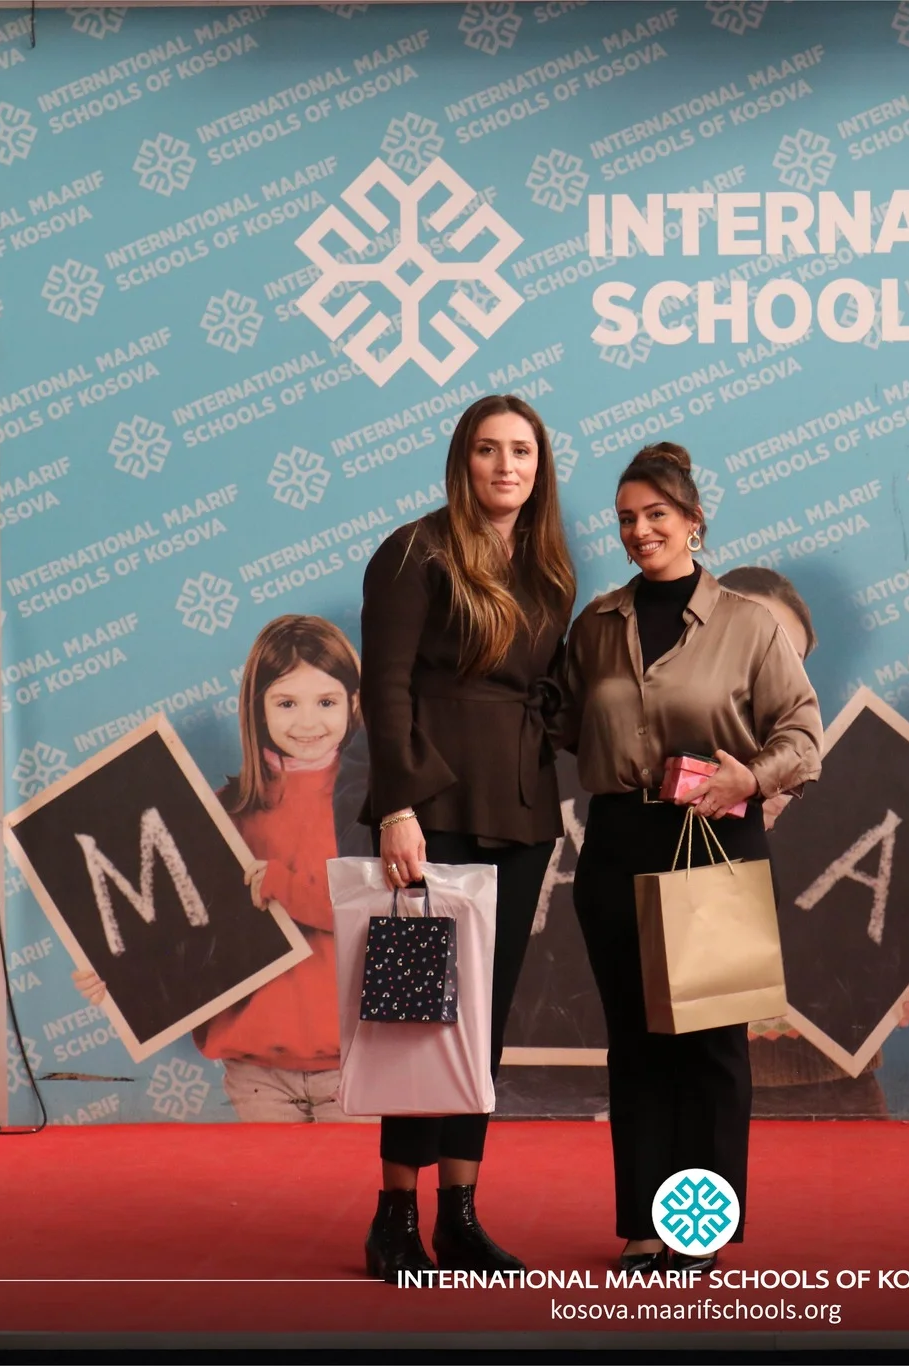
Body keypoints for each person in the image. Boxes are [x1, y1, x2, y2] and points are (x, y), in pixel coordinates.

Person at [554, 444, 822, 1272]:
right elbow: (559, 723)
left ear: (693, 521)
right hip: (617, 842)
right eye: (626, 519)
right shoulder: (596, 625)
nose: (640, 531)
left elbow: (803, 735)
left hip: (713, 838)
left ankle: (695, 1229)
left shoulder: (748, 623)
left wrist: (752, 776)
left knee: (708, 1044)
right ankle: (644, 1225)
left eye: (657, 515)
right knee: (635, 1043)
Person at [357, 393, 576, 1280]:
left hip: (522, 813)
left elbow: (552, 693)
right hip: (434, 811)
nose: (505, 466)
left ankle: (459, 1214)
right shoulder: (414, 551)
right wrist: (396, 807)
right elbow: (385, 688)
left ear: (540, 465)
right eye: (488, 450)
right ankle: (394, 1218)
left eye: (521, 451)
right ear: (463, 461)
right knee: (419, 1016)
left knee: (481, 1020)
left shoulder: (550, 568)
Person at [71, 615, 367, 1125]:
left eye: (326, 702)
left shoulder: (375, 805)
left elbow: (382, 915)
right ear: (258, 708)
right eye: (286, 703)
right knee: (271, 1181)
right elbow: (180, 928)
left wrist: (285, 888)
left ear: (354, 704)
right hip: (255, 1070)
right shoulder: (222, 811)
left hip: (355, 1062)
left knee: (353, 1181)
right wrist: (118, 970)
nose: (307, 722)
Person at [715, 565, 909, 1119]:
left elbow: (884, 927)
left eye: (789, 657)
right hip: (701, 1085)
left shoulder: (851, 784)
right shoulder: (642, 765)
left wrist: (900, 977)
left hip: (841, 1084)